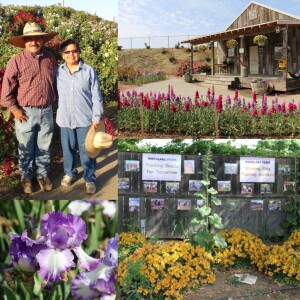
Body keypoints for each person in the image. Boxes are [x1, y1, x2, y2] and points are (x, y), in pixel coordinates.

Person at [1, 22, 57, 194]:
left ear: (42, 40)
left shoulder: (50, 58)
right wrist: (15, 110)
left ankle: (42, 175)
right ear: (24, 42)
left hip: (46, 110)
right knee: (25, 146)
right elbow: (5, 92)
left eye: (37, 38)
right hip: (25, 112)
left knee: (44, 145)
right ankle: (26, 177)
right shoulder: (16, 61)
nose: (34, 42)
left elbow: (54, 83)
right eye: (29, 39)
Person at [56, 39, 103, 194]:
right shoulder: (58, 72)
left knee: (87, 150)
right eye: (67, 52)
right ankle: (70, 173)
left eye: (74, 51)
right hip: (65, 118)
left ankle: (89, 178)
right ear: (63, 55)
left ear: (79, 52)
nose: (71, 54)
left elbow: (96, 96)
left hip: (85, 118)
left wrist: (96, 116)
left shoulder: (89, 71)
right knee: (68, 149)